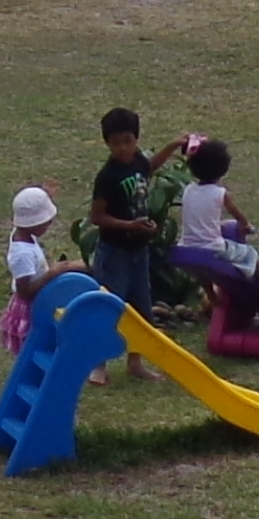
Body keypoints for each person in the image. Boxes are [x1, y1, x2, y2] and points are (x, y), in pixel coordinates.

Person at [86, 107, 163, 384]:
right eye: (116, 142)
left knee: (141, 309)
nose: (123, 148)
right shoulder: (107, 176)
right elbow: (97, 217)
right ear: (107, 142)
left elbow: (150, 167)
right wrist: (130, 225)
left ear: (136, 139)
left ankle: (135, 363)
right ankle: (98, 365)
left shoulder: (138, 162)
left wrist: (174, 146)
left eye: (128, 141)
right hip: (114, 253)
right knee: (108, 307)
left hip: (138, 252)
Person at [169, 136, 259, 323]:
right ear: (224, 169)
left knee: (202, 270)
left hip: (186, 246)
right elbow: (236, 214)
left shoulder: (188, 189)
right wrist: (245, 224)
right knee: (249, 253)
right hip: (211, 247)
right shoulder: (221, 193)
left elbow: (200, 215)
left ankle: (211, 295)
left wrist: (219, 225)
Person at [2, 186, 59, 351]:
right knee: (34, 349)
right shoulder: (23, 254)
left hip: (38, 302)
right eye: (46, 222)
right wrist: (53, 273)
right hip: (30, 308)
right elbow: (25, 292)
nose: (49, 224)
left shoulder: (24, 235)